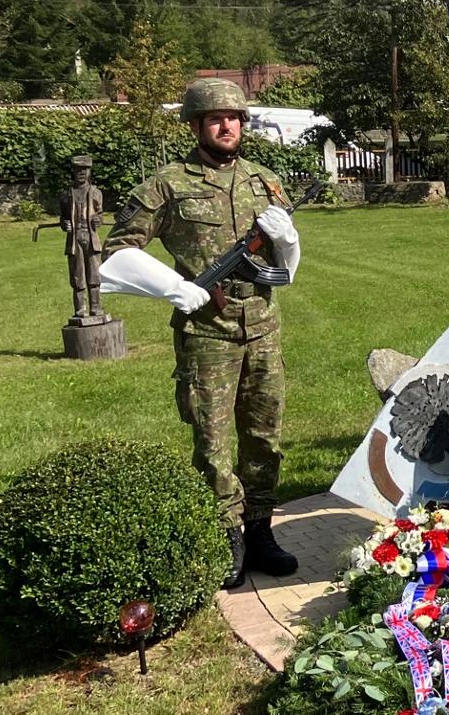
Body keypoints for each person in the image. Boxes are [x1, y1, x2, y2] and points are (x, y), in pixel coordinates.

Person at [100, 78, 304, 588]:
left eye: (233, 116)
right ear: (195, 125)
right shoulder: (167, 184)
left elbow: (286, 268)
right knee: (212, 441)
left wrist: (288, 240)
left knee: (265, 438)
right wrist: (176, 287)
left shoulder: (265, 181)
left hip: (262, 327)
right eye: (215, 117)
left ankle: (261, 530)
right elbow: (117, 251)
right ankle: (227, 536)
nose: (226, 124)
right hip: (206, 334)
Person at [59, 154, 106, 320]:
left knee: (94, 275)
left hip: (91, 238)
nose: (81, 173)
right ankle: (80, 309)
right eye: (78, 169)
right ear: (73, 171)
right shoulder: (67, 194)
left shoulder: (95, 193)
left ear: (89, 171)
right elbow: (63, 217)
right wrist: (65, 224)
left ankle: (96, 307)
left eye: (84, 169)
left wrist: (98, 220)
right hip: (74, 239)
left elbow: (100, 214)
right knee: (78, 276)